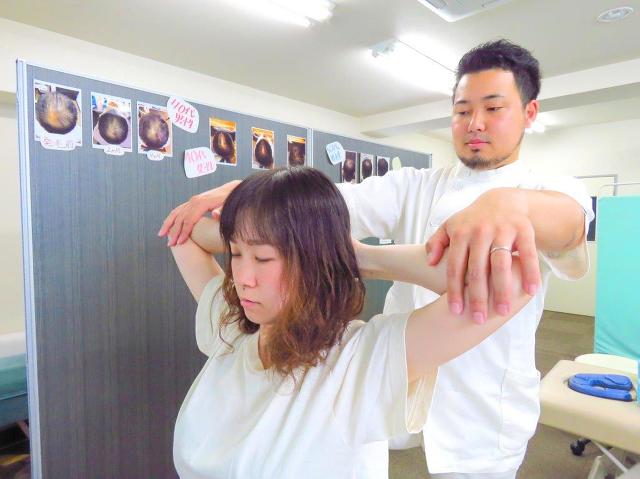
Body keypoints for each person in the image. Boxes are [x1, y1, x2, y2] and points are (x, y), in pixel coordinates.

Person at [159, 40, 594, 478]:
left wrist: (509, 202)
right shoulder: (414, 186)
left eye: (493, 108)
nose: (474, 123)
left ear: (530, 113)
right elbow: (315, 212)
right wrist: (249, 197)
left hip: (478, 409)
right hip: (391, 386)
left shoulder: (550, 190)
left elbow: (569, 227)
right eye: (462, 110)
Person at [166, 167, 532, 479]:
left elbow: (512, 280)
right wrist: (247, 225)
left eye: (263, 258)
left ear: (314, 261)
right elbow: (183, 234)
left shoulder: (358, 363)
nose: (242, 278)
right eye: (234, 253)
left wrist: (351, 257)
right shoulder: (232, 327)